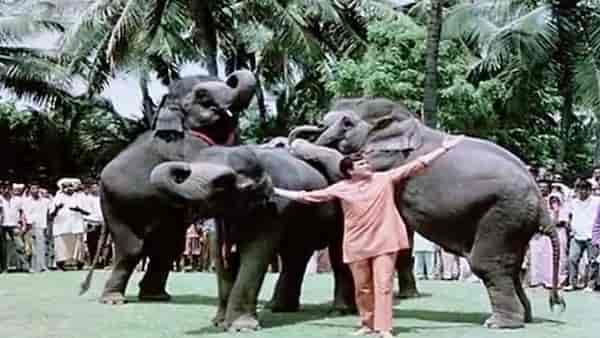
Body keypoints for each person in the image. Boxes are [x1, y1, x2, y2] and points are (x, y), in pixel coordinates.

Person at [274, 135, 464, 338]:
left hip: (385, 242)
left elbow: (417, 164)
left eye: (366, 162)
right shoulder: (341, 188)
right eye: (362, 164)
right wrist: (276, 190)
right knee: (362, 288)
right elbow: (307, 197)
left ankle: (384, 328)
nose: (367, 166)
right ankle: (367, 324)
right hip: (357, 244)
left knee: (383, 286)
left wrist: (443, 149)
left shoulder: (384, 179)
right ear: (350, 171)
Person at [563, 179, 600, 291]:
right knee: (572, 259)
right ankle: (572, 283)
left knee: (592, 261)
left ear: (590, 190)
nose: (582, 192)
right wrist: (570, 229)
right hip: (577, 235)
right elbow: (570, 216)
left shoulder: (597, 201)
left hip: (592, 235)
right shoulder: (573, 202)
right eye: (580, 189)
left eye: (585, 189)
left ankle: (590, 284)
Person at [50, 180, 89, 270]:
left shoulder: (80, 197)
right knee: (62, 247)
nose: (69, 189)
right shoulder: (57, 197)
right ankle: (63, 264)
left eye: (70, 186)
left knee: (78, 246)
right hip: (61, 227)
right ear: (62, 188)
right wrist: (57, 209)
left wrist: (79, 210)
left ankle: (78, 263)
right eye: (66, 187)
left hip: (76, 226)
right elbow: (51, 215)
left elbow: (88, 212)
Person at [21, 183, 52, 272]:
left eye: (36, 188)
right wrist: (25, 224)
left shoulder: (45, 201)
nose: (34, 190)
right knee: (31, 247)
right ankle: (32, 266)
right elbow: (24, 214)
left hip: (42, 225)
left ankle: (42, 266)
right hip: (30, 225)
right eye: (32, 188)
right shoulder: (26, 201)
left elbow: (49, 213)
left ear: (39, 189)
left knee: (42, 247)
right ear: (30, 190)